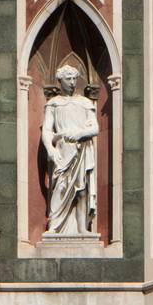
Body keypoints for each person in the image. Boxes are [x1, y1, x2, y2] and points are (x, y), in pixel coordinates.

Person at [41, 65, 99, 236]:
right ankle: (55, 225)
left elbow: (95, 128)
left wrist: (80, 133)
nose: (73, 82)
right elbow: (46, 130)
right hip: (62, 151)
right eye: (68, 79)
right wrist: (50, 149)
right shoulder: (54, 104)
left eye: (75, 79)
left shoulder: (85, 103)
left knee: (81, 190)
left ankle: (82, 228)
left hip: (81, 150)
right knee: (60, 187)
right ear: (60, 81)